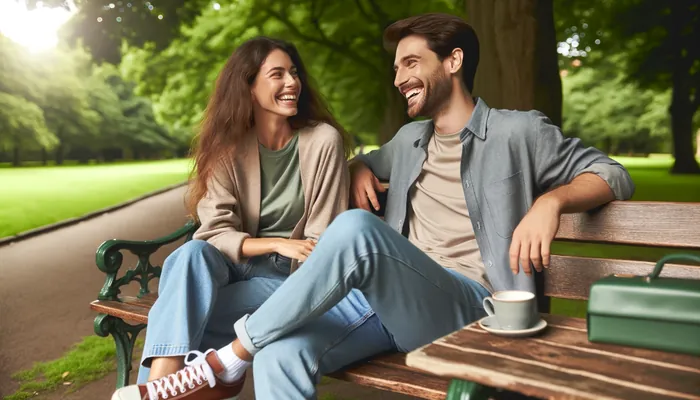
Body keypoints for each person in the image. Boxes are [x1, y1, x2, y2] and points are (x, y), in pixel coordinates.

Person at [113, 13, 635, 400]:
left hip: (472, 304)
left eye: (411, 63)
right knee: (282, 352)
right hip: (384, 306)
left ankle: (228, 358)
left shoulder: (520, 130)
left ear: (453, 62)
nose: (398, 77)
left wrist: (552, 200)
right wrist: (360, 166)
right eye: (395, 66)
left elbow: (613, 173)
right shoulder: (409, 140)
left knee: (357, 228)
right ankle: (214, 366)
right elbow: (361, 159)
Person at [111, 36, 353, 400]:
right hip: (234, 267)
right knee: (189, 256)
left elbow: (321, 242)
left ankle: (157, 390)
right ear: (249, 86)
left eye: (294, 72)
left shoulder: (323, 141)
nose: (292, 82)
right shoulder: (227, 147)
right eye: (277, 74)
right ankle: (163, 390)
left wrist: (287, 252)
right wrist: (275, 242)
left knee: (178, 306)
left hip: (291, 280)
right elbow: (213, 234)